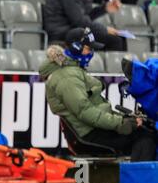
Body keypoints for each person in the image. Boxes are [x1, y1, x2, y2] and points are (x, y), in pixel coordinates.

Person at [39, 27, 156, 162]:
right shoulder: (67, 77)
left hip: (94, 129)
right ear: (76, 47)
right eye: (89, 49)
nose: (92, 53)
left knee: (143, 130)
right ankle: (139, 181)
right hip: (89, 134)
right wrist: (120, 123)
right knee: (144, 137)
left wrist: (124, 118)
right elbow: (85, 112)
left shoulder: (71, 70)